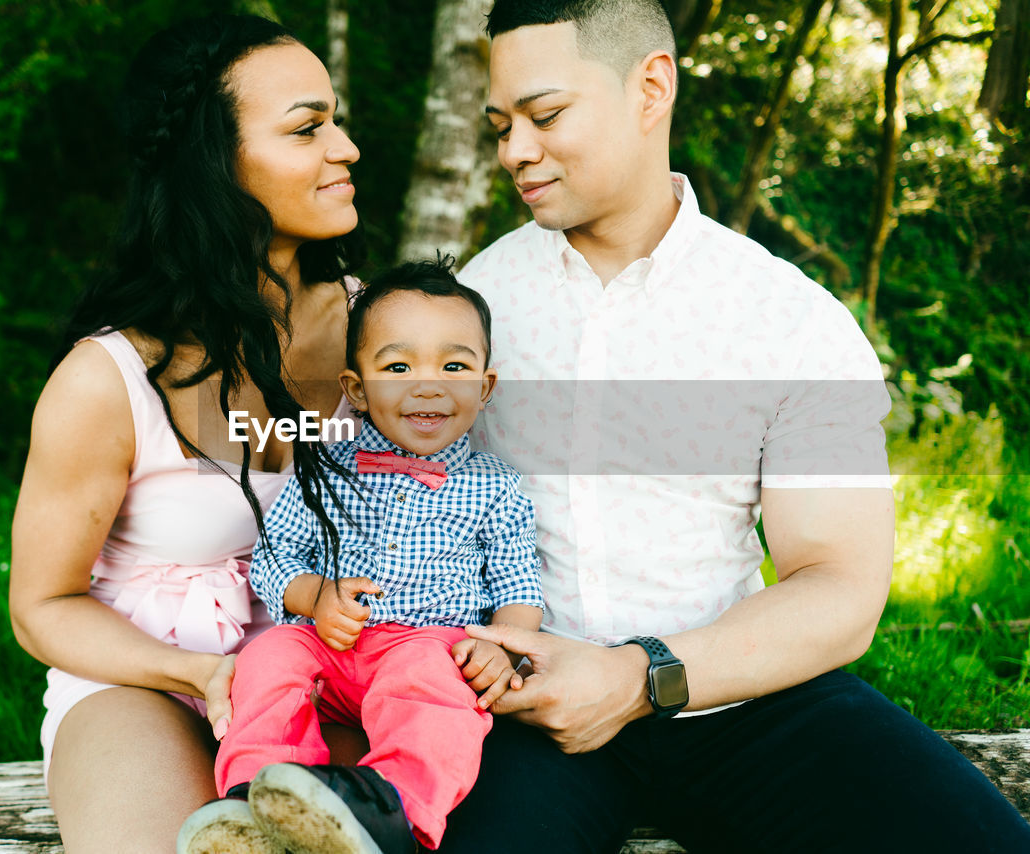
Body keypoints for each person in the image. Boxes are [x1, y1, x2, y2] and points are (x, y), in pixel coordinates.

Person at [436, 1, 1030, 852]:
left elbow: (839, 588)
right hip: (525, 706)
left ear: (652, 87)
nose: (515, 151)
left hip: (737, 697)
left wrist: (639, 677)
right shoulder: (473, 307)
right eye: (501, 125)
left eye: (546, 115)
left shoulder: (788, 319)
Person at [7, 13, 371, 853]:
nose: (346, 148)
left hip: (330, 672)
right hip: (145, 682)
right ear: (213, 162)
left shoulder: (378, 332)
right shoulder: (107, 379)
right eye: (308, 129)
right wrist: (204, 676)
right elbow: (40, 606)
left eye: (336, 121)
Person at [177, 259, 544, 854]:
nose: (428, 385)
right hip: (329, 643)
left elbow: (518, 588)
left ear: (485, 386)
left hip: (427, 643)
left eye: (454, 366)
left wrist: (499, 647)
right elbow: (274, 558)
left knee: (434, 685)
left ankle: (389, 808)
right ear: (357, 388)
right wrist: (317, 597)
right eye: (398, 367)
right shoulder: (323, 466)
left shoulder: (496, 486)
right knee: (269, 656)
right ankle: (256, 795)